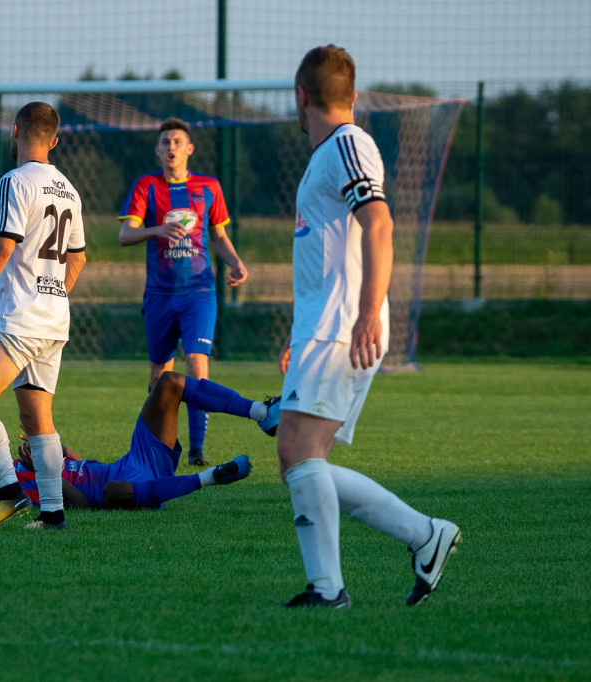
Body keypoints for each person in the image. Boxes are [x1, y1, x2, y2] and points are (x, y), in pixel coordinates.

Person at [277, 45, 460, 608]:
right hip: (325, 326)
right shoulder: (331, 151)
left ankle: (328, 589)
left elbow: (379, 226)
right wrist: (298, 334)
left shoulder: (350, 144)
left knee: (298, 452)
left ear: (301, 97)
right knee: (305, 458)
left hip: (342, 325)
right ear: (352, 95)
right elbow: (330, 254)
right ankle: (426, 535)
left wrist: (362, 314)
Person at [0, 101, 85, 531]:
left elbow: (3, 246)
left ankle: (10, 492)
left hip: (22, 317)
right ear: (56, 140)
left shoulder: (14, 181)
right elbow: (79, 259)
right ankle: (53, 514)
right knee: (36, 420)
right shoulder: (69, 189)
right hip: (55, 318)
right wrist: (53, 295)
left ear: (14, 131)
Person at [0, 371, 281, 510]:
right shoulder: (21, 492)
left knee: (167, 383)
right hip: (124, 486)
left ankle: (261, 413)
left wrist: (59, 451)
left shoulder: (20, 465)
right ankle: (209, 478)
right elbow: (81, 504)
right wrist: (42, 472)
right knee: (111, 493)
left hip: (131, 462)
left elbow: (80, 466)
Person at [118, 118, 248, 467]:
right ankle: (154, 445)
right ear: (157, 150)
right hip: (160, 294)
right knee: (160, 374)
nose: (171, 147)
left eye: (177, 141)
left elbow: (218, 236)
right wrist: (157, 229)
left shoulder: (209, 187)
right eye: (165, 142)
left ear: (189, 149)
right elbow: (125, 235)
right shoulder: (146, 186)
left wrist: (235, 262)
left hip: (199, 292)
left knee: (196, 363)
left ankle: (197, 449)